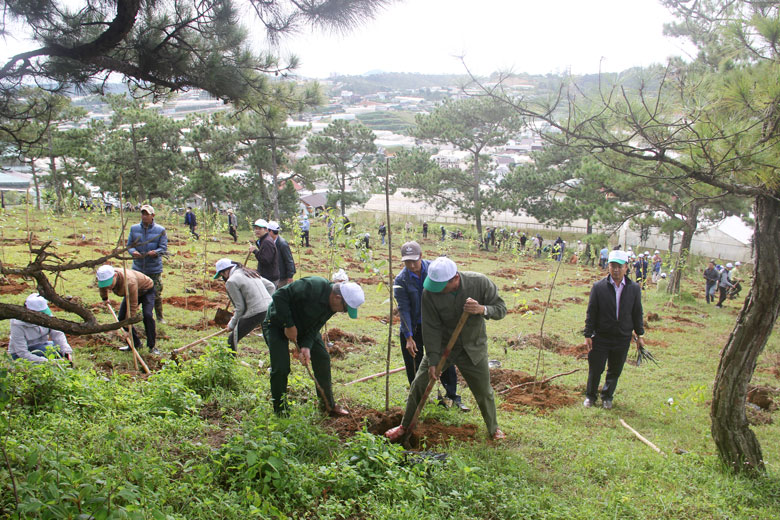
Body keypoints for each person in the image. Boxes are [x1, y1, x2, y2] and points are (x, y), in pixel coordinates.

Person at [385, 257, 508, 441]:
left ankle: (493, 428)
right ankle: (404, 425)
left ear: (455, 278)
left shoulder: (479, 282)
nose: (437, 290)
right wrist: (433, 361)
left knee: (483, 391)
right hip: (443, 346)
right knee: (419, 383)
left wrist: (481, 309)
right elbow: (431, 327)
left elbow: (501, 309)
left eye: (441, 286)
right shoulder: (429, 292)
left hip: (472, 346)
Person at [261, 277, 365, 416]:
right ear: (337, 297)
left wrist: (306, 346)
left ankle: (327, 405)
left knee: (322, 358)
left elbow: (316, 325)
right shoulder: (312, 286)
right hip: (276, 323)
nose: (342, 312)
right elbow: (279, 295)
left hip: (304, 327)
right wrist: (288, 325)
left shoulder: (332, 306)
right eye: (345, 309)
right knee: (281, 367)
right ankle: (280, 411)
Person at [393, 242, 466, 411]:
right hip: (415, 328)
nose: (411, 265)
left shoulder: (435, 271)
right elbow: (403, 308)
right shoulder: (401, 280)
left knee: (444, 360)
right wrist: (408, 337)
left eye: (414, 260)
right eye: (407, 262)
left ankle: (451, 396)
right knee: (415, 364)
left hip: (436, 325)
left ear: (421, 256)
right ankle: (418, 398)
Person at [582, 250, 645, 409]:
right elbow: (592, 312)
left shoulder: (634, 289)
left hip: (622, 337)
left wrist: (640, 334)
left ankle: (607, 397)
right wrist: (588, 334)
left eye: (619, 266)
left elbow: (637, 313)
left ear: (626, 268)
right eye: (612, 266)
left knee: (615, 369)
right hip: (601, 336)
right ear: (608, 267)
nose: (616, 270)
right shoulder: (599, 287)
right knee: (596, 368)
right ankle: (590, 396)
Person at [214, 258, 275, 356]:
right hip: (269, 309)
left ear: (225, 271)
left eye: (221, 275)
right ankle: (276, 364)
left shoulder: (231, 281)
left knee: (231, 340)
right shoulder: (249, 272)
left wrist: (231, 324)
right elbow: (271, 286)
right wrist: (267, 301)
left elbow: (240, 308)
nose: (222, 277)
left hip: (256, 311)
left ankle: (228, 367)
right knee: (269, 339)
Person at [97, 264, 159, 355]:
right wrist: (105, 298)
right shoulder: (105, 275)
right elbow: (102, 287)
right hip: (130, 293)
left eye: (109, 283)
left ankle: (152, 347)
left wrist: (128, 326)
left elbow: (133, 305)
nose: (108, 287)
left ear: (115, 276)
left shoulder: (129, 281)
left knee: (147, 315)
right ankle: (135, 344)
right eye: (105, 284)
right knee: (121, 318)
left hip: (146, 290)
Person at [127, 204, 168, 323]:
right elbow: (129, 245)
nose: (144, 216)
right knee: (135, 292)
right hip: (138, 267)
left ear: (153, 216)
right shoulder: (134, 229)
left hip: (153, 268)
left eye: (147, 214)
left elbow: (163, 248)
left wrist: (155, 252)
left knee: (156, 293)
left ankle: (160, 317)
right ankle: (134, 315)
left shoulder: (160, 230)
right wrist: (133, 252)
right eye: (142, 214)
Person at [8, 293, 73, 364]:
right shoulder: (17, 324)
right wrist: (48, 362)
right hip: (21, 353)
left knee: (58, 349)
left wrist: (66, 353)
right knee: (52, 353)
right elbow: (22, 353)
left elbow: (57, 333)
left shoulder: (46, 315)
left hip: (42, 345)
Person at [250, 219, 279, 285]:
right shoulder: (263, 240)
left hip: (269, 277)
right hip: (267, 275)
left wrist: (255, 251)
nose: (257, 231)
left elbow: (265, 260)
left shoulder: (267, 242)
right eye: (256, 228)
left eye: (260, 229)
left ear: (266, 230)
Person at [268, 221, 295, 288]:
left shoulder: (282, 244)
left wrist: (290, 276)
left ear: (271, 231)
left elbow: (289, 260)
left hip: (282, 277)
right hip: (274, 275)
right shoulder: (271, 242)